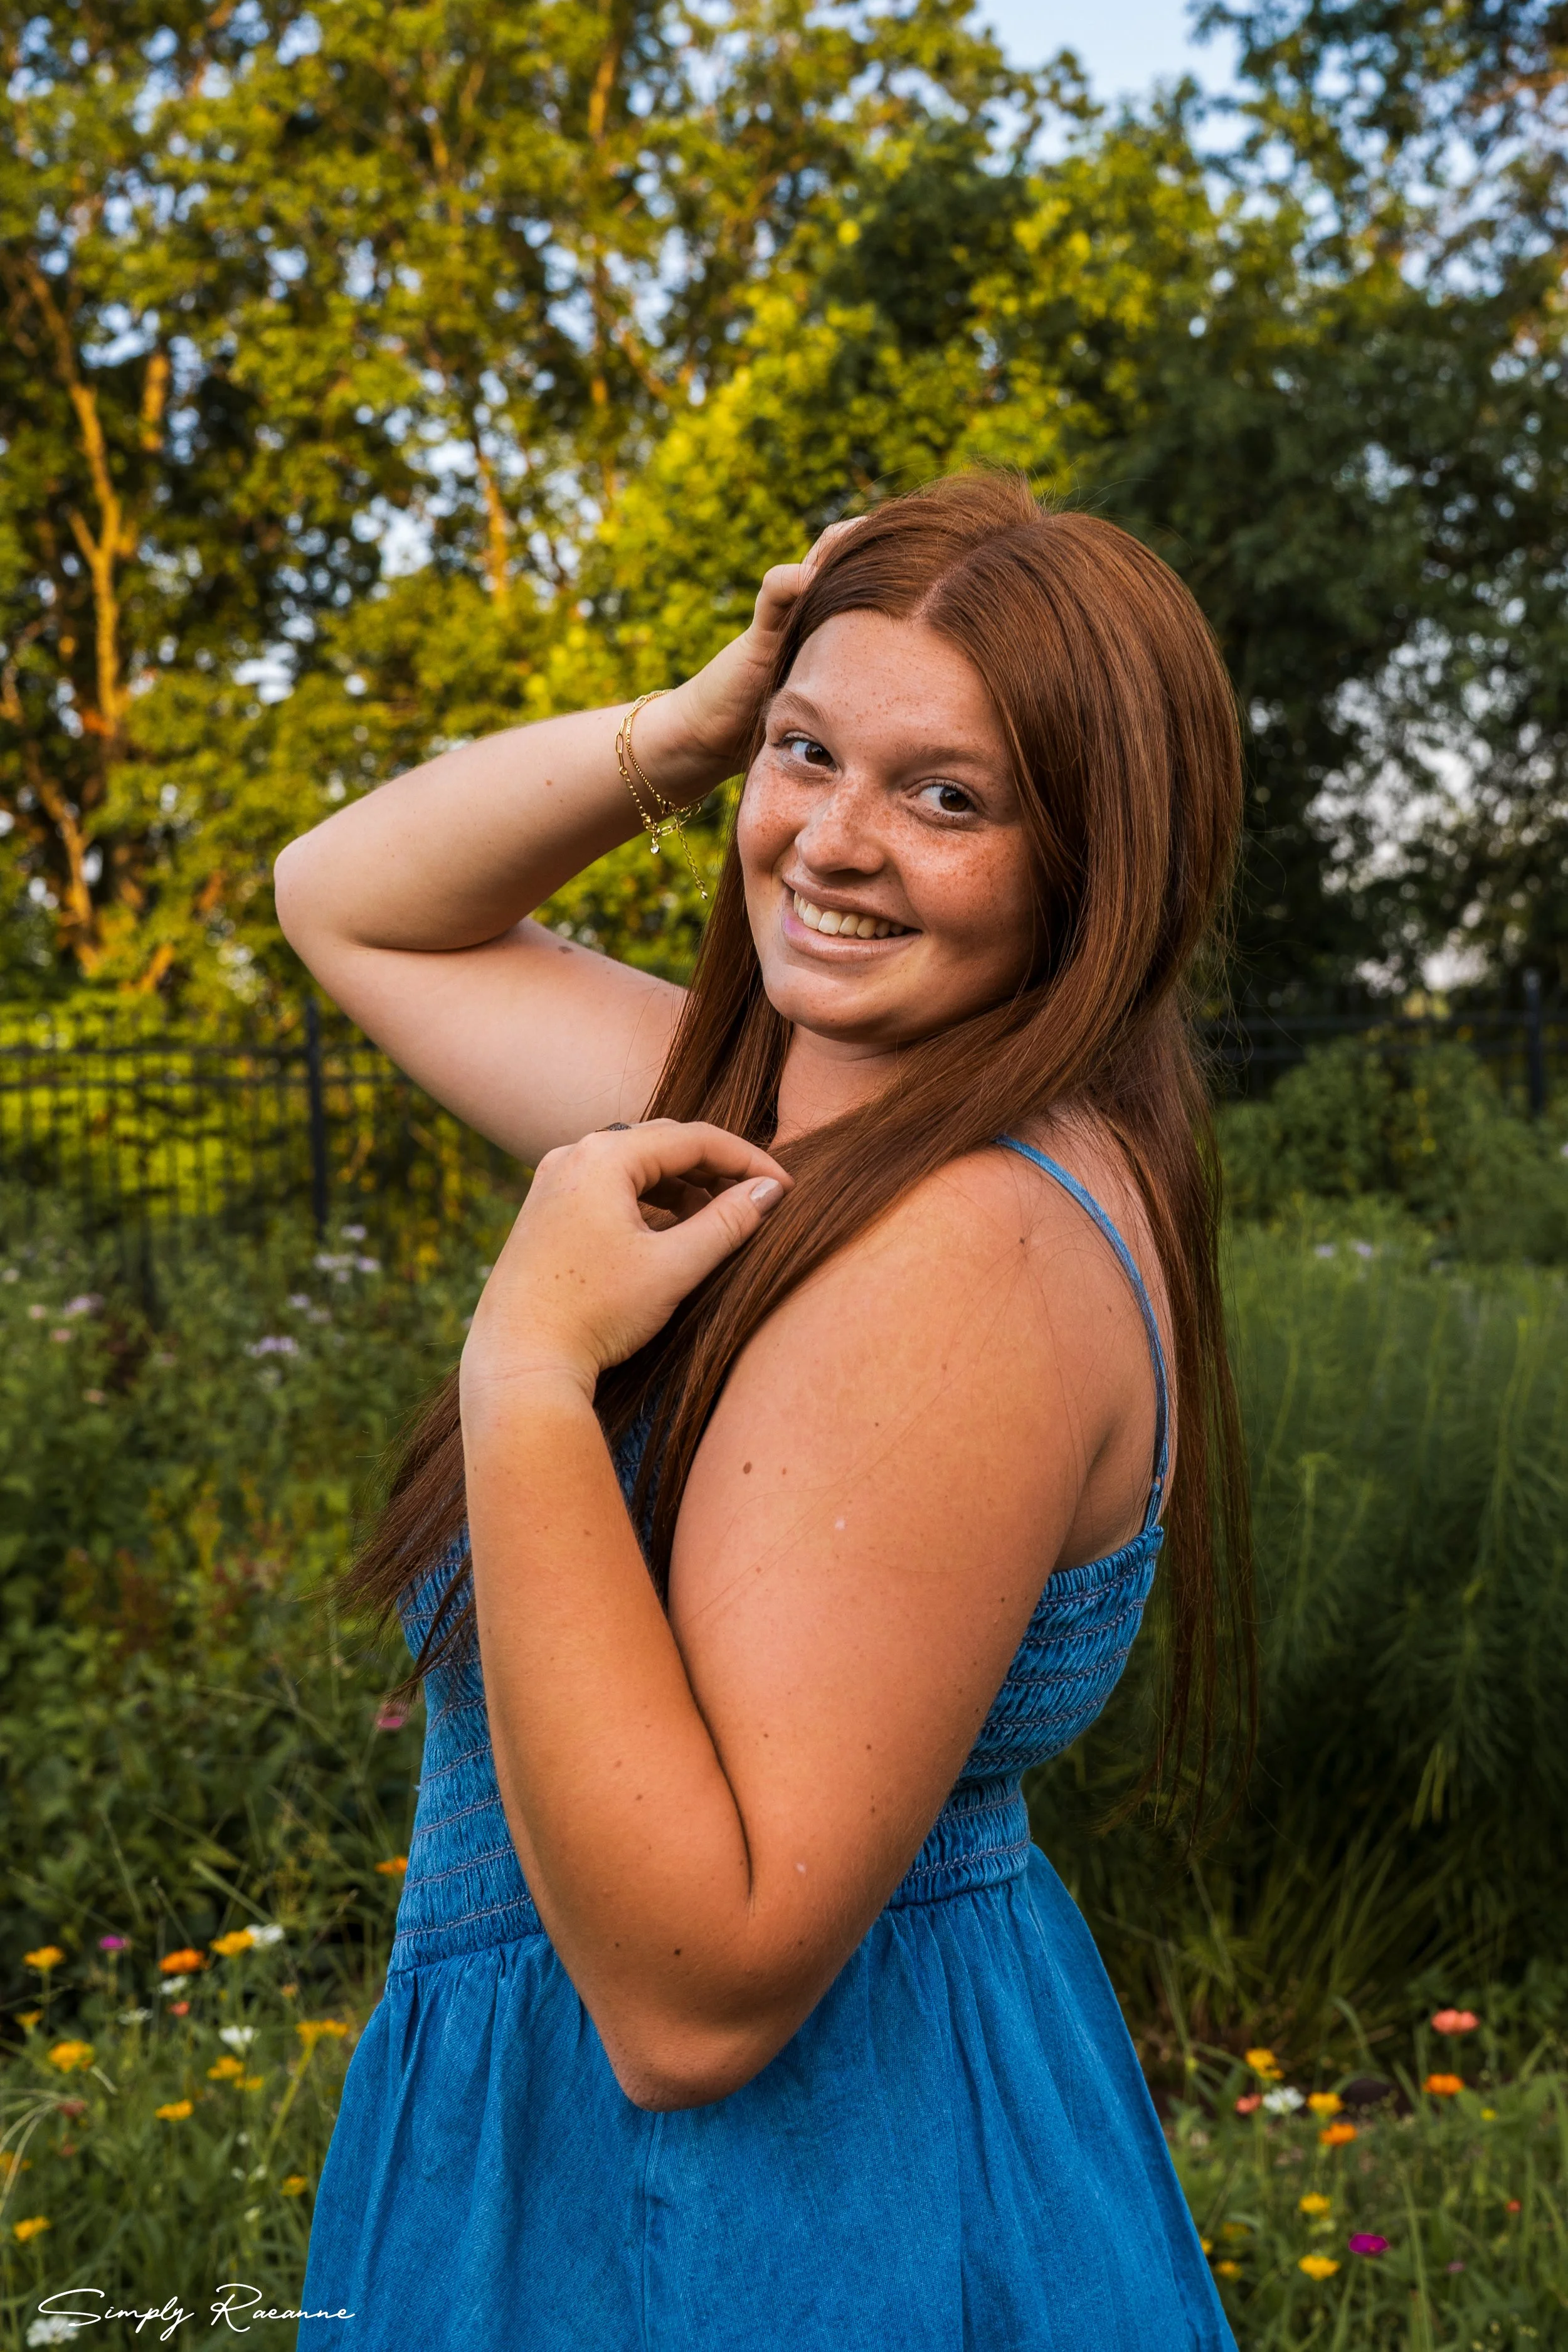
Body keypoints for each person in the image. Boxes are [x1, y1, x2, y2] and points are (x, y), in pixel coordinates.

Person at [276, 470, 1251, 2349]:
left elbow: (693, 2000)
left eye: (947, 797)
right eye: (809, 758)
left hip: (764, 2226)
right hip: (762, 2156)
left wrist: (525, 1372)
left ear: (1095, 860)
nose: (834, 843)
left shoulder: (955, 1253)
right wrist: (694, 725)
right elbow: (352, 904)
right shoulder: (797, 1128)